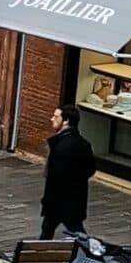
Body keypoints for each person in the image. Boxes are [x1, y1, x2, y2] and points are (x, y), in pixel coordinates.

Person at [41, 103, 97, 241]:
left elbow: (56, 177)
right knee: (54, 230)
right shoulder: (84, 144)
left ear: (66, 121)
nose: (51, 119)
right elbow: (90, 169)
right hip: (74, 201)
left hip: (59, 201)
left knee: (54, 232)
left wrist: (49, 200)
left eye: (56, 116)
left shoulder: (61, 147)